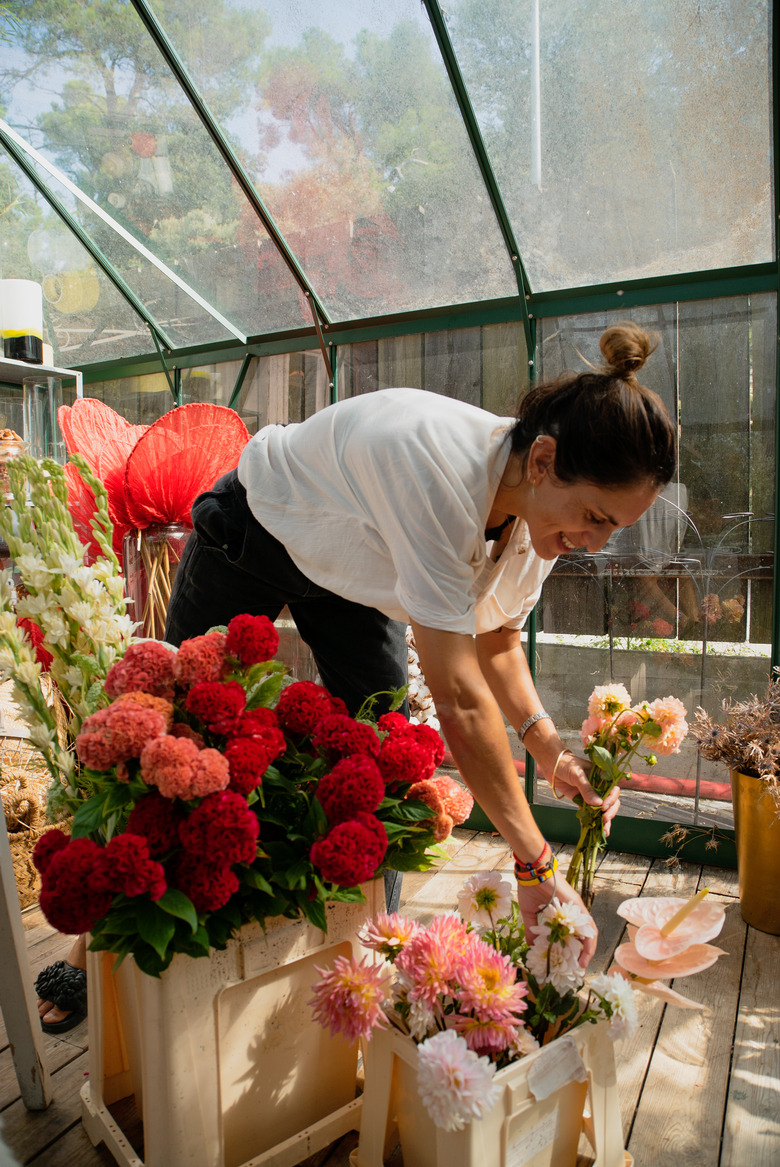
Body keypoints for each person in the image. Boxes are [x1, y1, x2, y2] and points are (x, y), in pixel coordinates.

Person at [164, 321, 676, 963]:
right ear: (543, 460)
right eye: (597, 518)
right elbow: (461, 699)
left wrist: (549, 751)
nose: (597, 542)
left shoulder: (540, 513)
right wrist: (537, 865)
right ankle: (105, 948)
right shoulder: (436, 471)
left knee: (386, 747)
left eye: (614, 527)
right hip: (259, 527)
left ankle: (378, 942)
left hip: (359, 570)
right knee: (177, 723)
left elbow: (497, 640)